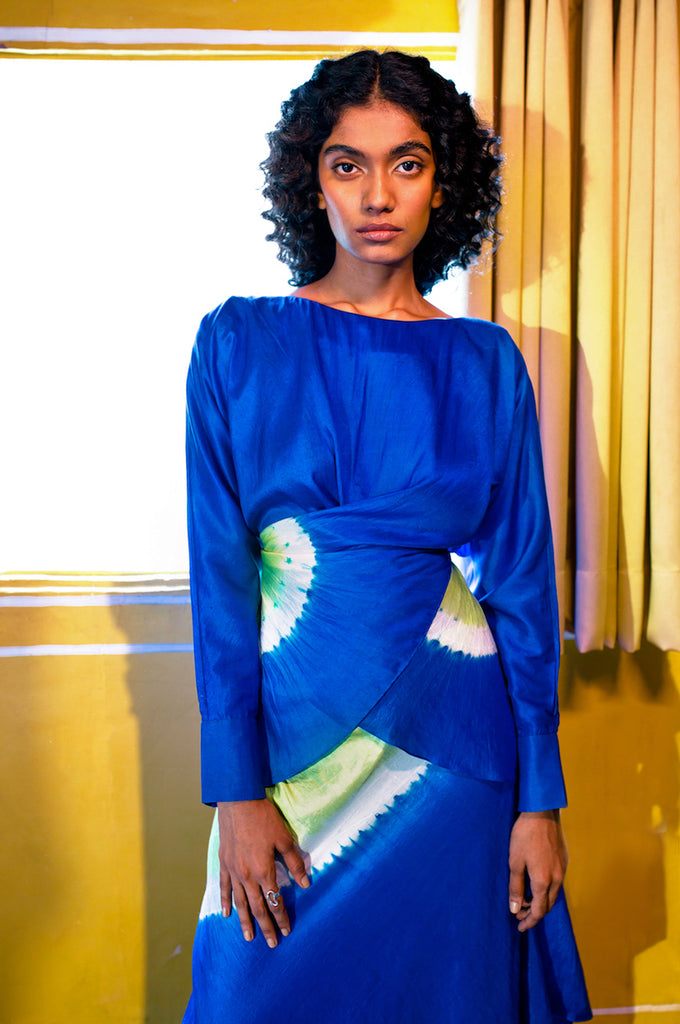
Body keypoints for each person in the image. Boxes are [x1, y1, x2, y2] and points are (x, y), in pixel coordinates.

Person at [182, 49, 591, 1024]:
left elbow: (522, 586)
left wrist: (539, 799)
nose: (376, 195)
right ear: (311, 180)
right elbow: (217, 578)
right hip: (290, 743)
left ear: (443, 183)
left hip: (456, 745)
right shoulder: (237, 341)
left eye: (406, 163)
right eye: (347, 164)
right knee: (248, 993)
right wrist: (234, 790)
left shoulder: (484, 361)